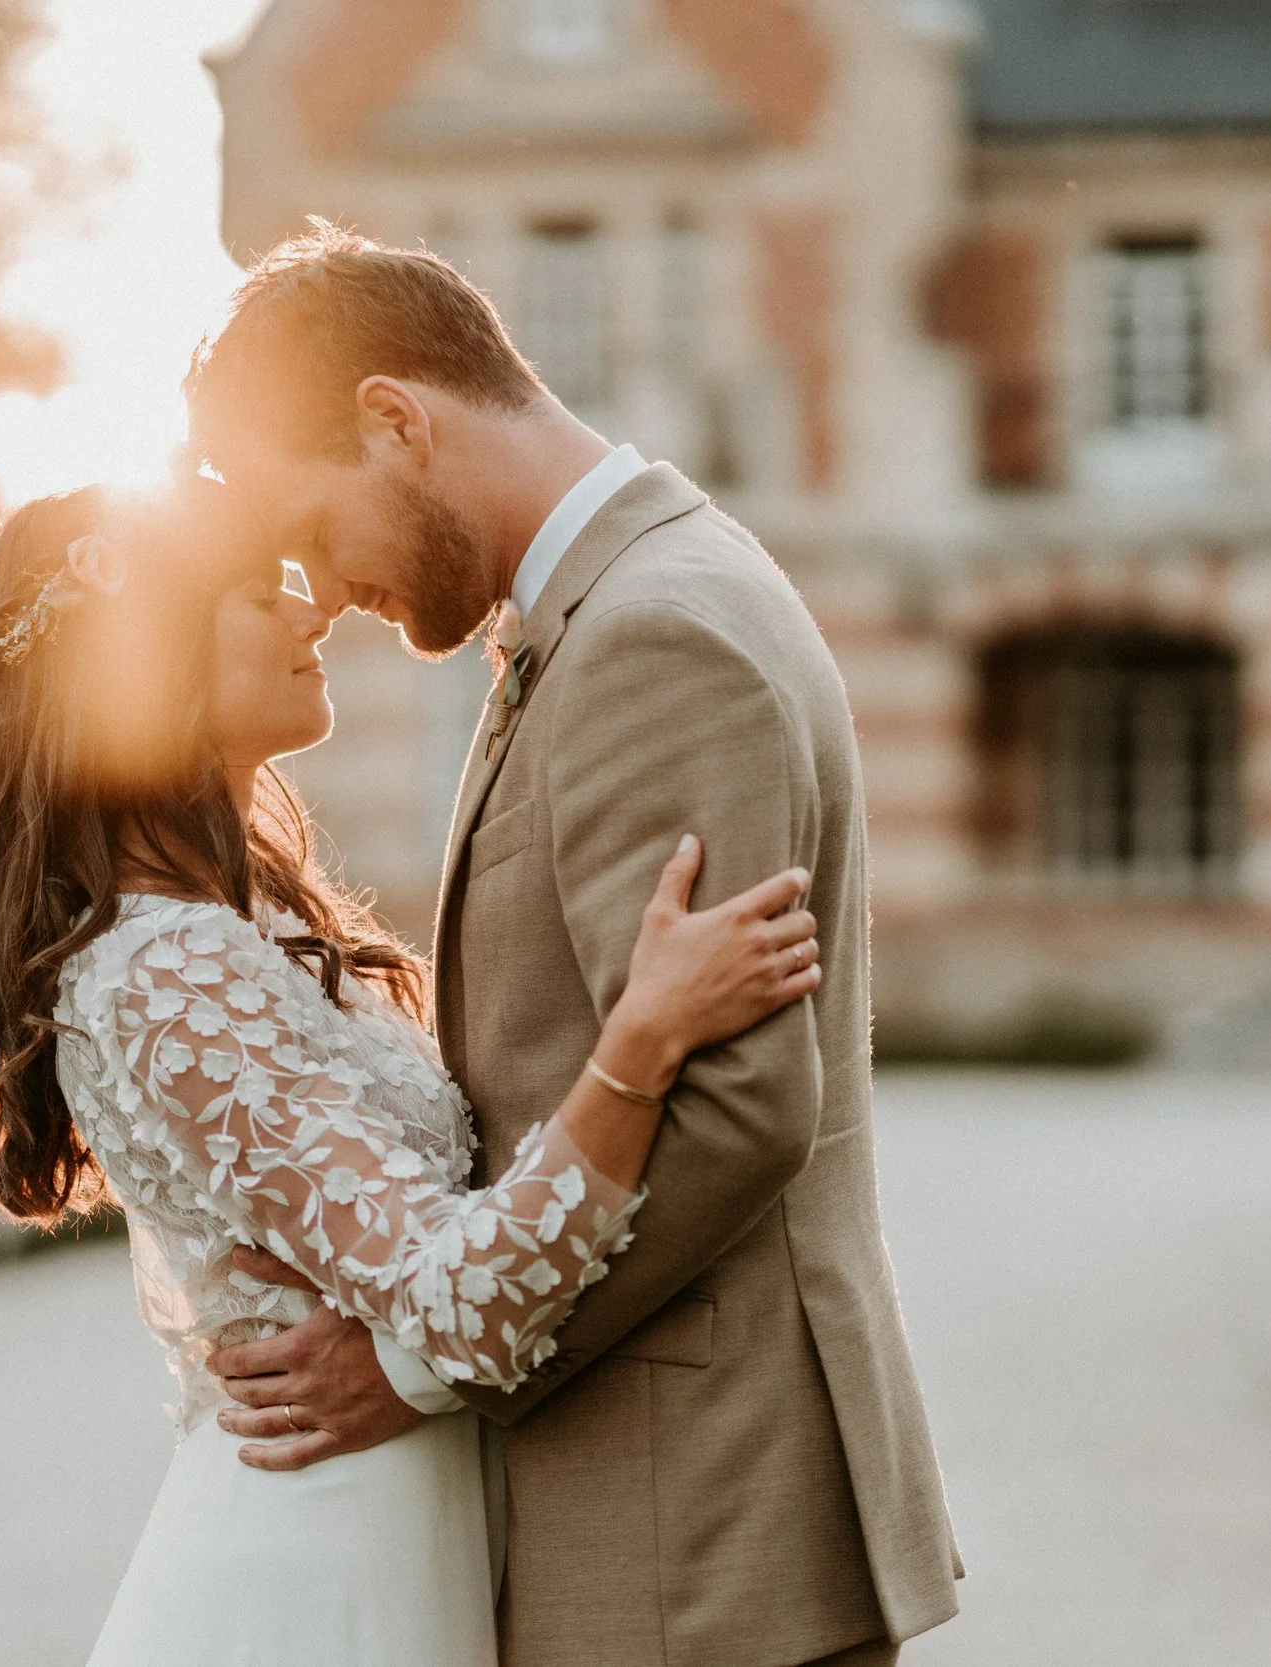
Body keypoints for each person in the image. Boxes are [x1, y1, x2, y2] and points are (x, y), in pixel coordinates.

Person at [184, 226, 960, 1667]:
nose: (328, 589)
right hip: (681, 1510)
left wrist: (422, 1356)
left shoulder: (656, 641)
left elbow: (737, 1105)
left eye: (312, 527)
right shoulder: (632, 597)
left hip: (692, 1523)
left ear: (395, 422)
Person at [0, 478, 825, 1665]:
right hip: (322, 1558)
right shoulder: (166, 969)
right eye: (256, 594)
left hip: (394, 1518)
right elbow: (465, 1304)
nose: (310, 616)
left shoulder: (216, 936)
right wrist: (641, 1039)